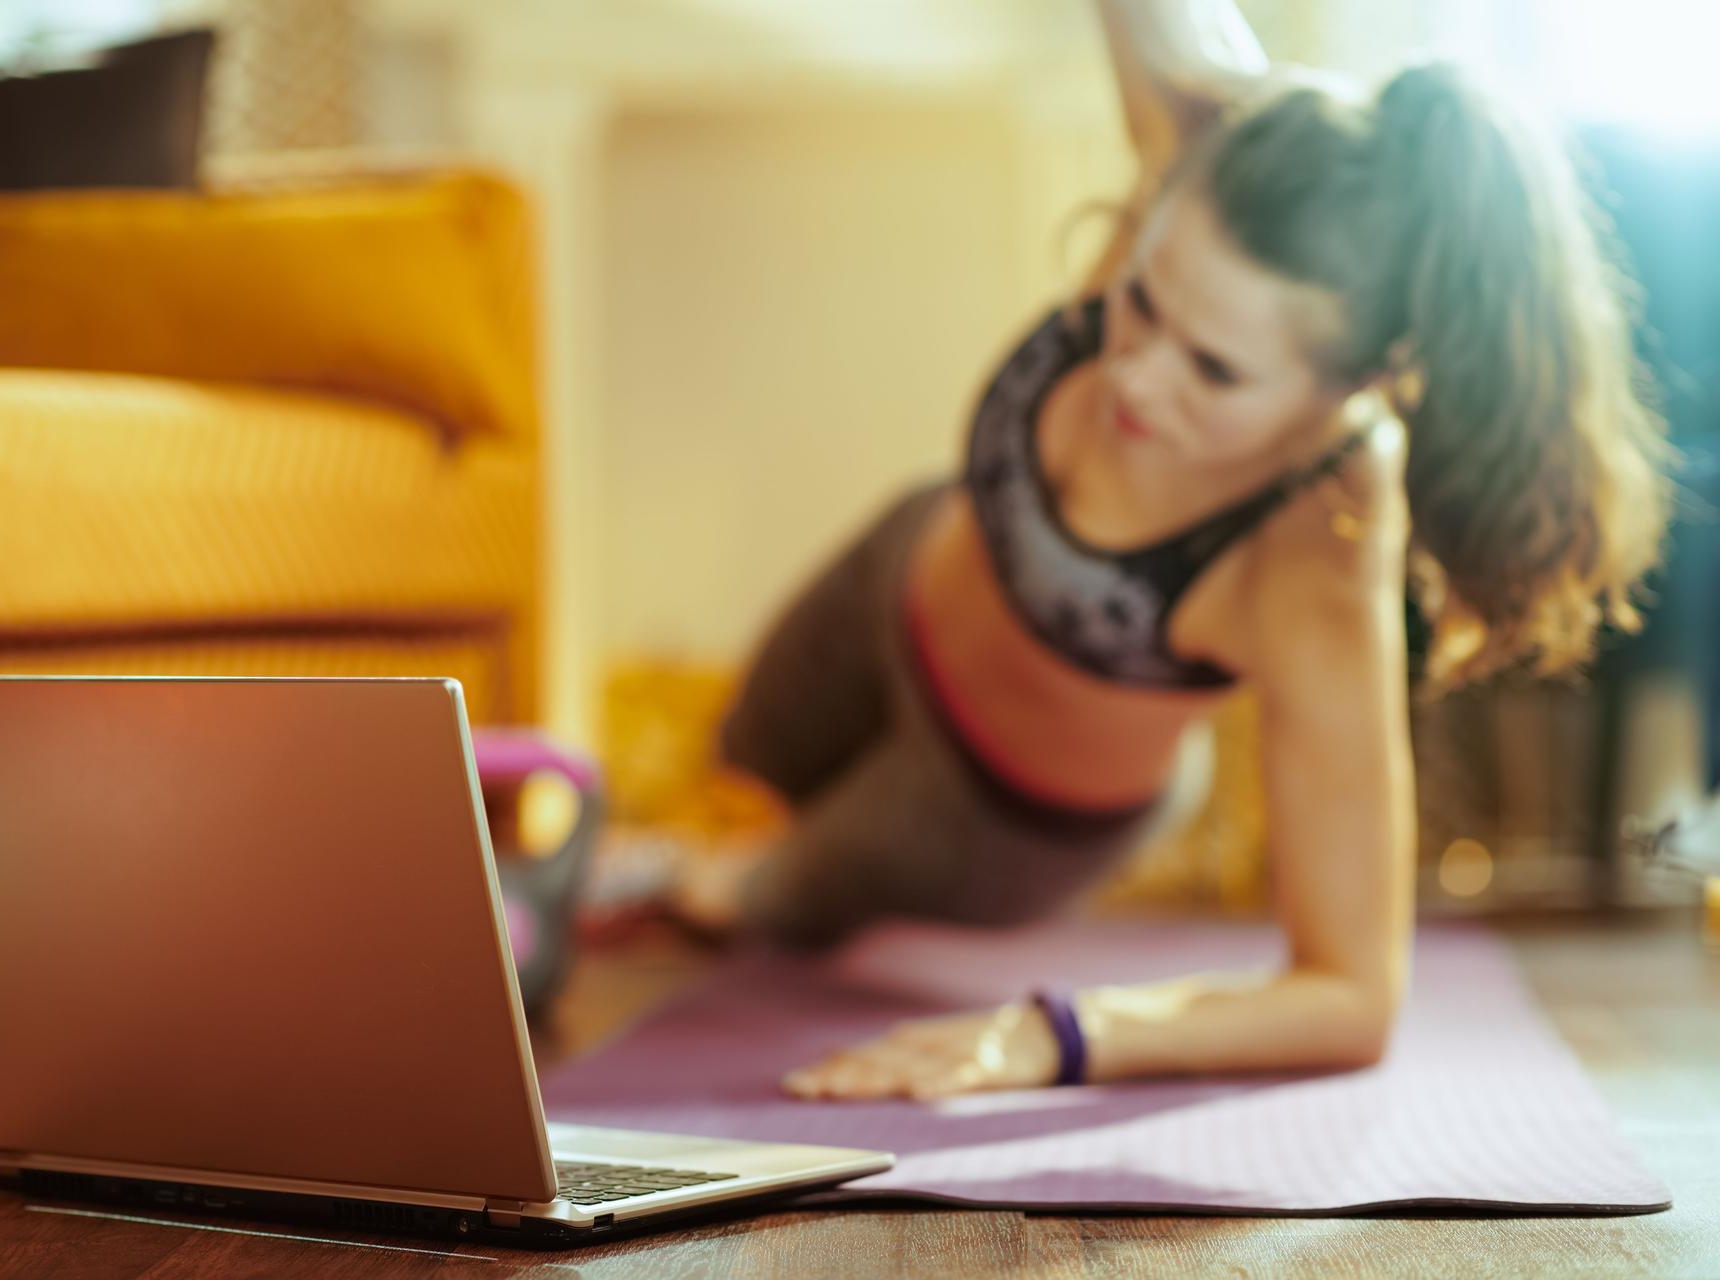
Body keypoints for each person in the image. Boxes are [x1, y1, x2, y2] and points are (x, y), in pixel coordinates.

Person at [675, 0, 1672, 1100]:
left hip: (989, 801)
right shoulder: (1206, 151)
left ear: (1356, 385)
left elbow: (1349, 991)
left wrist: (1055, 1034)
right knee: (714, 778)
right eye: (1140, 302)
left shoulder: (1318, 554)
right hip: (893, 574)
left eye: (1215, 370)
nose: (1137, 377)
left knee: (732, 902)